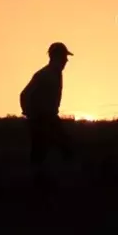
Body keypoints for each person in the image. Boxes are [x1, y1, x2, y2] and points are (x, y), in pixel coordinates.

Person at [20, 42, 75, 176]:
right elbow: (24, 94)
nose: (66, 60)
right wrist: (31, 114)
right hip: (42, 119)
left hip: (49, 118)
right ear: (57, 57)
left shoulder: (55, 74)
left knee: (55, 149)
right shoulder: (45, 75)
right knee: (45, 150)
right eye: (64, 57)